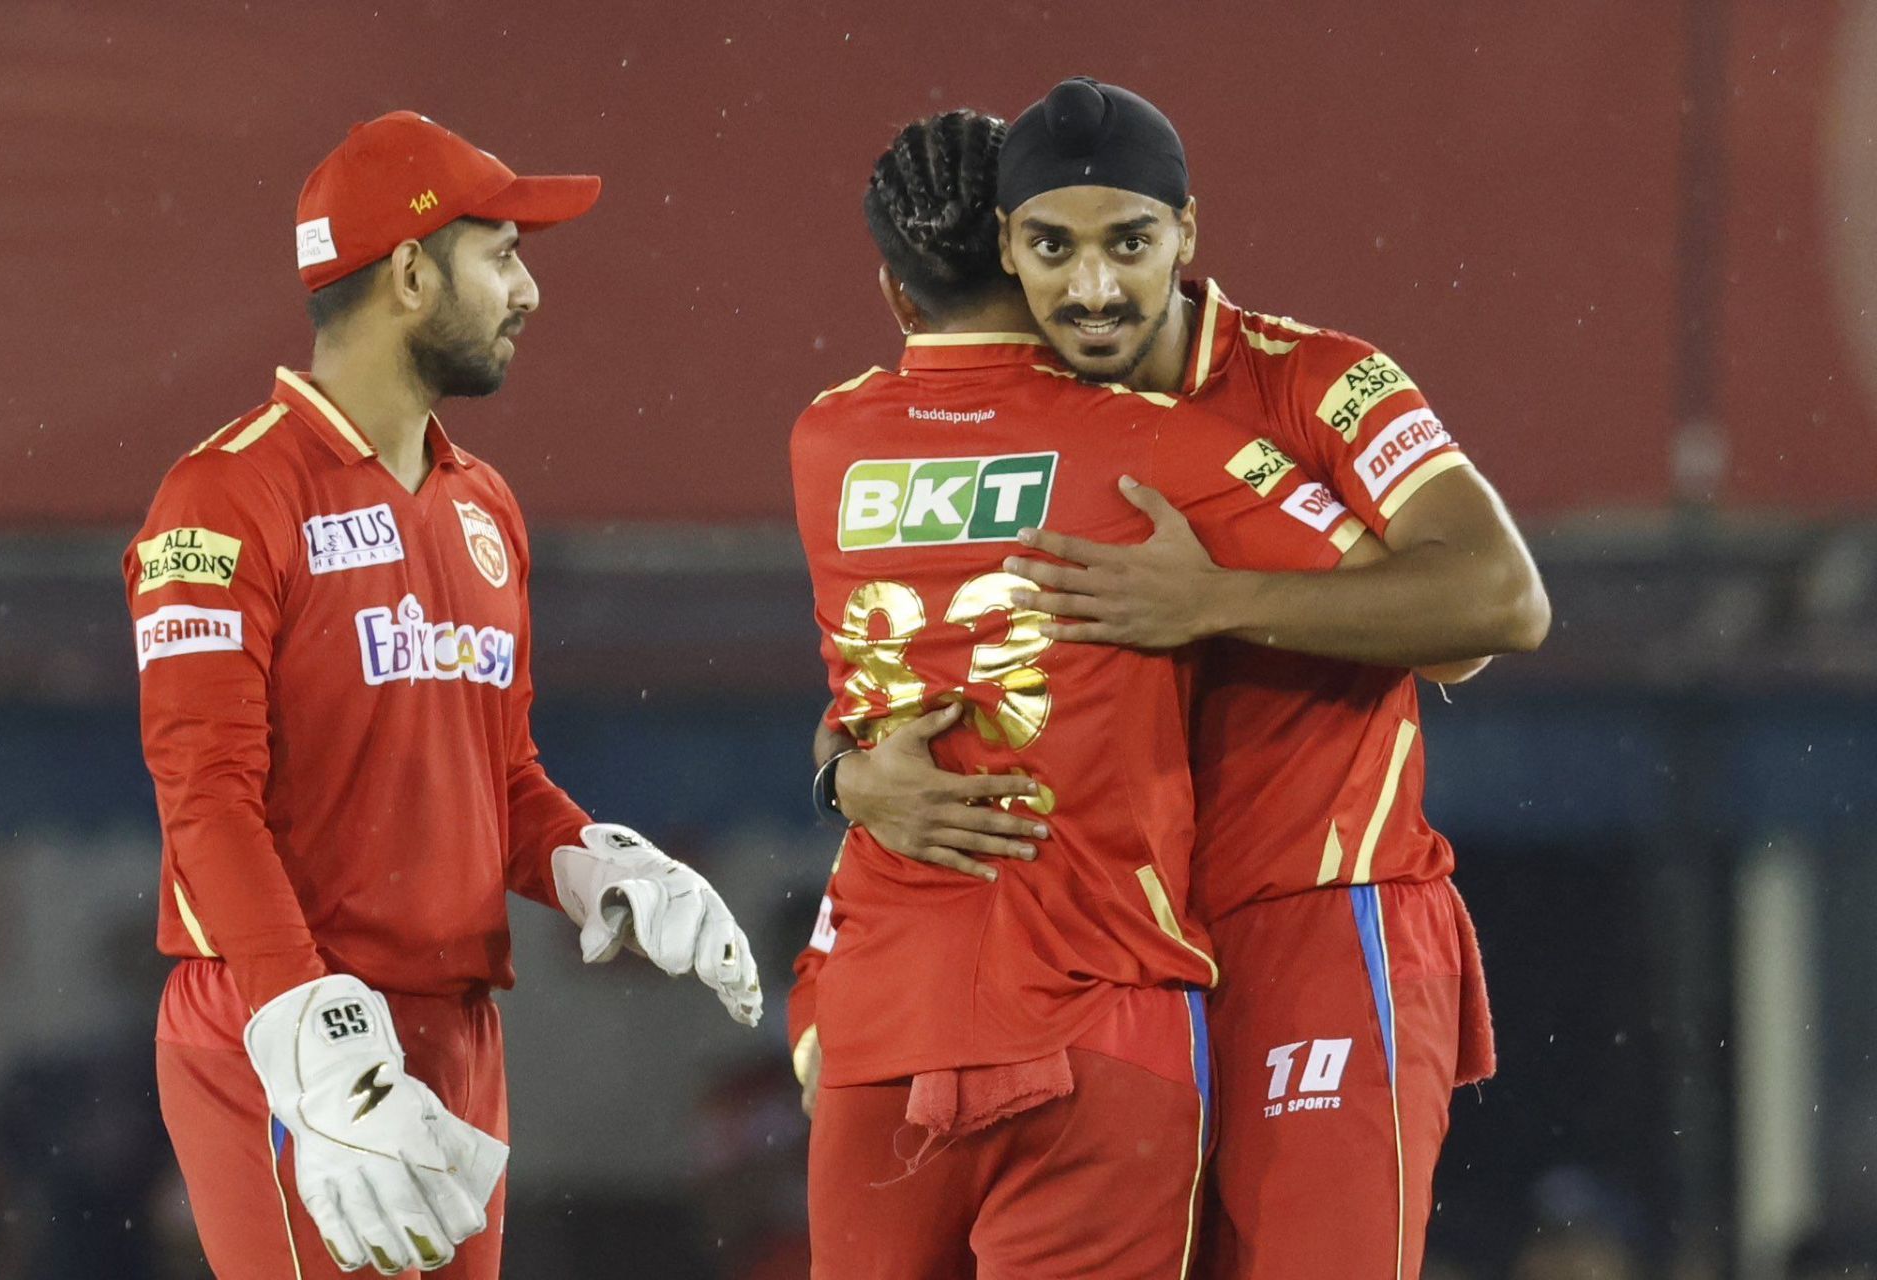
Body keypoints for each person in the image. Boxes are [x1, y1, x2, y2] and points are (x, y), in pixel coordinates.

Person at [813, 78, 1549, 1280]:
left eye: (1130, 243)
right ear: (1010, 247)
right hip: (1117, 963)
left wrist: (1216, 600)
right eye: (1055, 247)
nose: (1094, 287)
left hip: (1317, 915)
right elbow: (897, 668)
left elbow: (1494, 605)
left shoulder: (1319, 380)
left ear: (1187, 234)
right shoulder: (1002, 429)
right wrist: (850, 780)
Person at [127, 111, 760, 1280]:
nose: (528, 291)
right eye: (504, 255)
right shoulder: (222, 496)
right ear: (414, 272)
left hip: (456, 1030)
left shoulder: (486, 506)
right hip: (294, 1026)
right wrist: (313, 1037)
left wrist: (597, 861)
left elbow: (498, 771)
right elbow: (203, 801)